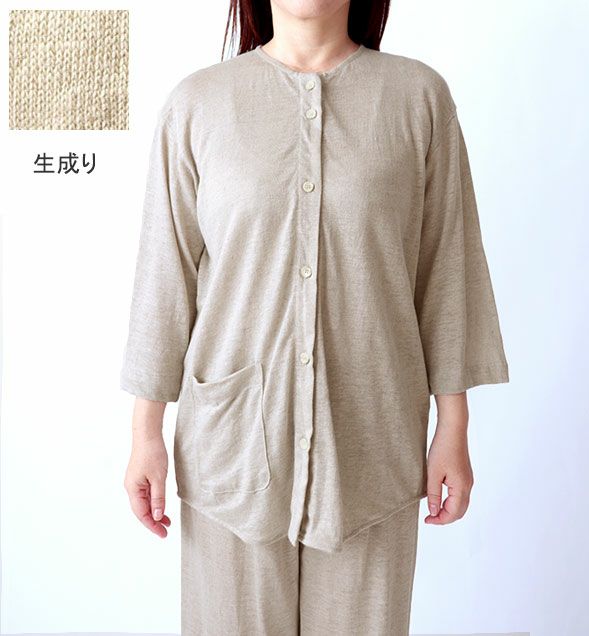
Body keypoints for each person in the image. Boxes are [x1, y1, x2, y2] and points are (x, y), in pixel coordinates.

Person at [121, 1, 510, 634]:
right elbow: (165, 280)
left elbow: (446, 270)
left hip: (372, 447)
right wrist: (146, 434)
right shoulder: (198, 105)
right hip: (232, 452)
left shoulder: (418, 99)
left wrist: (454, 425)